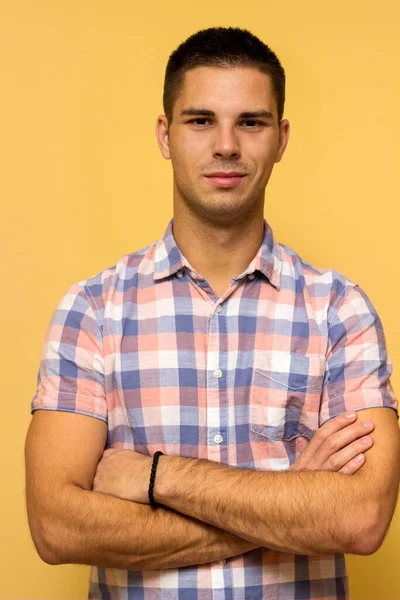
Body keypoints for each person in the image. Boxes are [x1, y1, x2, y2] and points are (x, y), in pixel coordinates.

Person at [25, 26, 399, 600]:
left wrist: (154, 477)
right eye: (200, 120)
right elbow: (56, 526)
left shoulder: (339, 310)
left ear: (281, 137)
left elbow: (361, 518)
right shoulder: (92, 310)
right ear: (165, 134)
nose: (226, 145)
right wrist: (291, 497)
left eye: (251, 122)